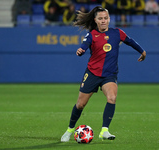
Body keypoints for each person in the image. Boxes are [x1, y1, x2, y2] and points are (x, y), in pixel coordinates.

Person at [60, 6, 146, 142]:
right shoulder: (91, 35)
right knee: (80, 105)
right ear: (95, 20)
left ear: (109, 19)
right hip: (93, 73)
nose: (103, 21)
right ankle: (69, 130)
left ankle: (104, 130)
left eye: (105, 18)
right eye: (100, 18)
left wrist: (142, 51)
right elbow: (84, 45)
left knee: (112, 97)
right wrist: (81, 50)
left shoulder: (117, 33)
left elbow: (130, 41)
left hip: (109, 75)